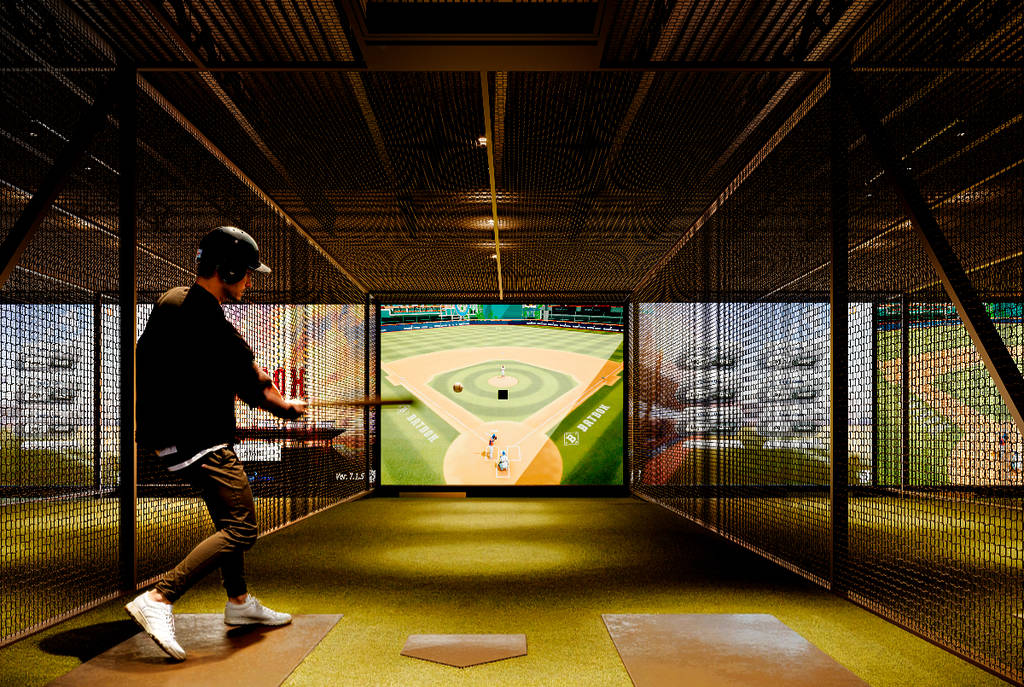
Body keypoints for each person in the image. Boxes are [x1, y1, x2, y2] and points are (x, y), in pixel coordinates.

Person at [125, 226, 308, 661]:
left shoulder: (173, 303)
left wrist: (270, 397)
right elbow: (255, 384)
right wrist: (287, 409)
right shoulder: (207, 319)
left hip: (170, 438)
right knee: (243, 526)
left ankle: (240, 603)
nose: (249, 280)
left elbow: (237, 377)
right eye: (246, 272)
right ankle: (160, 598)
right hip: (198, 442)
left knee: (229, 518)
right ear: (226, 270)